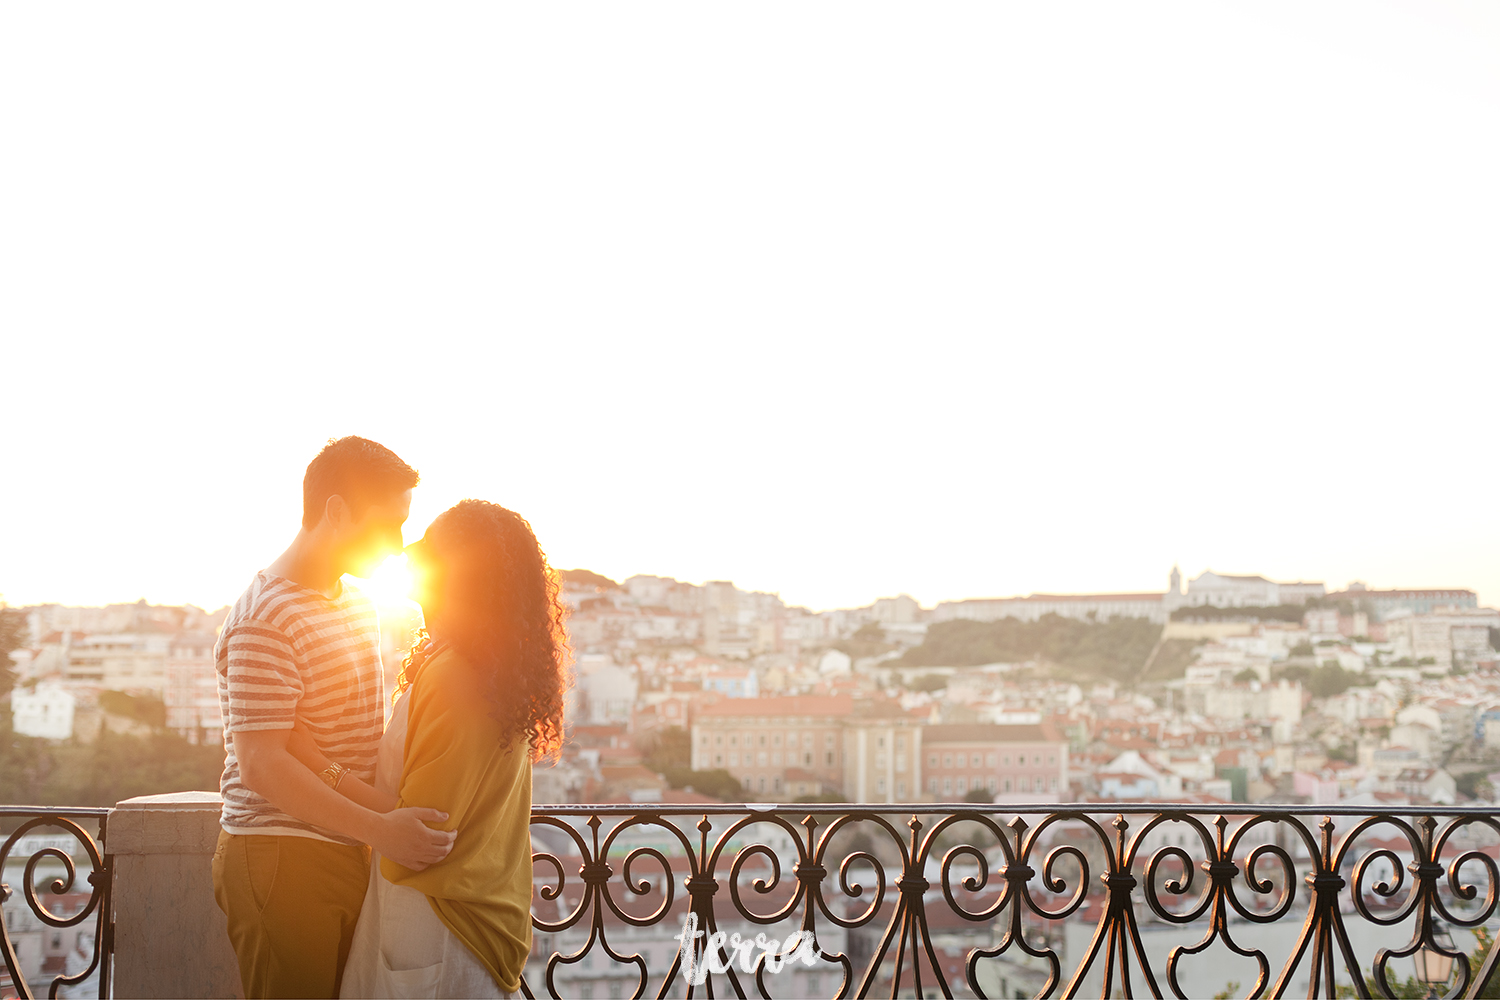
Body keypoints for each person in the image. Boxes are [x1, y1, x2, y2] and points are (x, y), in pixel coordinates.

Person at [211, 436, 457, 1000]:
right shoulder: (265, 617)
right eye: (388, 525)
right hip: (282, 854)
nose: (399, 546)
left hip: (344, 845)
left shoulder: (355, 599)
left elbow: (340, 740)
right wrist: (382, 829)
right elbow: (262, 767)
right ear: (337, 510)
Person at [291, 499, 568, 998]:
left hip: (438, 922)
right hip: (464, 913)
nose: (409, 560)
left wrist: (316, 762)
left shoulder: (455, 675)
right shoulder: (485, 666)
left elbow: (416, 833)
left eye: (427, 553)